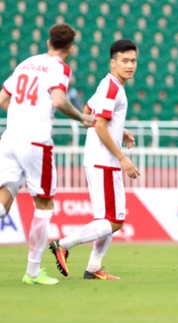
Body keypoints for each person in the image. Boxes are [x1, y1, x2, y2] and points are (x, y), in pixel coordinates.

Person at [0, 24, 94, 285]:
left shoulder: (26, 63)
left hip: (9, 138)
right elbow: (59, 101)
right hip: (35, 141)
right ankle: (32, 272)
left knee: (2, 202)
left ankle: (33, 271)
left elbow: (2, 99)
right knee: (43, 206)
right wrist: (81, 118)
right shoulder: (60, 69)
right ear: (70, 48)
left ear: (48, 42)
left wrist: (19, 116)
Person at [48, 39, 140, 280]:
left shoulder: (107, 85)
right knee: (115, 221)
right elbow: (98, 124)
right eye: (125, 61)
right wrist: (122, 158)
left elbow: (88, 113)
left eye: (133, 61)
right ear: (113, 62)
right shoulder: (112, 89)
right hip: (104, 161)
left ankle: (93, 269)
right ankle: (63, 245)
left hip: (98, 159)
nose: (130, 65)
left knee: (108, 219)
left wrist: (119, 130)